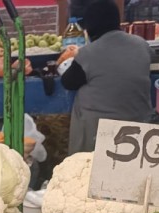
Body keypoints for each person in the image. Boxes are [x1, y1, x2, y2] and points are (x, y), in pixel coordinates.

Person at [60, 0, 153, 154]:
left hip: (97, 133)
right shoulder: (142, 45)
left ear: (90, 27)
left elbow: (68, 82)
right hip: (139, 126)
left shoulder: (88, 53)